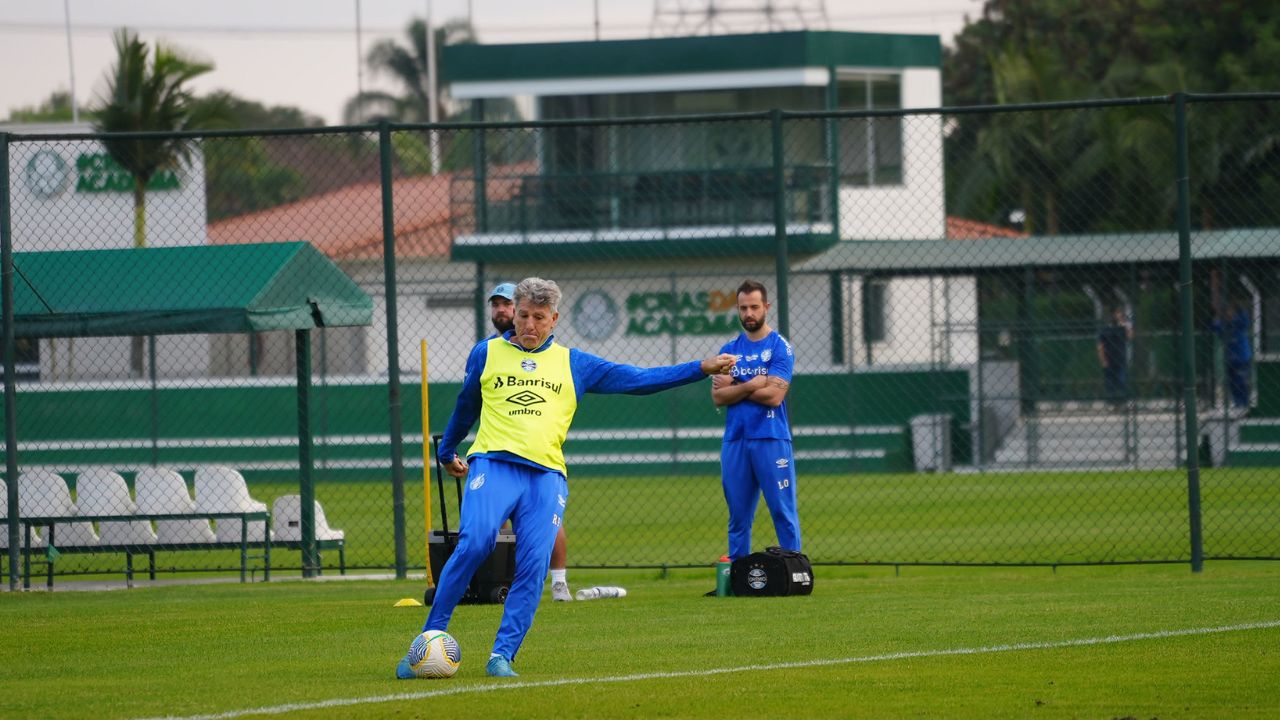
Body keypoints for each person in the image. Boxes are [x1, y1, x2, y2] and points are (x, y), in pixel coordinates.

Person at [398, 277, 735, 679]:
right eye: (523, 315)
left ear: (553, 318)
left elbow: (642, 379)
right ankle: (427, 641)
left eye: (539, 318)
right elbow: (466, 404)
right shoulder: (486, 353)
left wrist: (701, 368)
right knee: (475, 542)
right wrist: (447, 450)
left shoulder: (574, 363)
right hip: (493, 465)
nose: (528, 325)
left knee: (534, 564)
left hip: (546, 477)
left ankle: (501, 656)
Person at [487, 282, 573, 602]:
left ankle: (559, 581)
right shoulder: (490, 351)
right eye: (496, 304)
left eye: (506, 305)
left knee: (546, 519)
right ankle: (502, 580)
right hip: (500, 449)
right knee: (499, 520)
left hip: (538, 451)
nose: (501, 310)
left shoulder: (551, 354)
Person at [710, 280, 802, 573]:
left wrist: (735, 385)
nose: (749, 313)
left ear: (766, 308)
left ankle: (793, 572)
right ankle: (738, 576)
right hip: (736, 440)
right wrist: (752, 383)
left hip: (771, 439)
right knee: (738, 516)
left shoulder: (780, 347)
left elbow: (775, 396)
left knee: (782, 512)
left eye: (754, 307)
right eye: (743, 308)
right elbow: (718, 396)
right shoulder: (728, 350)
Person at [1213, 296, 1253, 410]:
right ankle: (1238, 404)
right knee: (1233, 383)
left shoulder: (1240, 322)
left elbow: (1245, 318)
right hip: (1230, 358)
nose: (1229, 313)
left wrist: (1237, 309)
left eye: (1231, 311)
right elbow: (1214, 326)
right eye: (1227, 311)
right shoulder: (1224, 325)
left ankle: (1243, 404)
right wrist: (1217, 314)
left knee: (1241, 382)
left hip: (1242, 357)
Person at [1097, 307, 1132, 407]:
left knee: (1122, 380)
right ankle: (1111, 403)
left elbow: (1130, 337)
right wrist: (1103, 360)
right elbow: (1100, 346)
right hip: (1109, 359)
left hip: (1120, 359)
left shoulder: (1122, 329)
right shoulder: (1104, 330)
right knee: (1110, 382)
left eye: (1120, 314)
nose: (1118, 316)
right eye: (1117, 313)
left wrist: (1125, 324)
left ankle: (1122, 402)